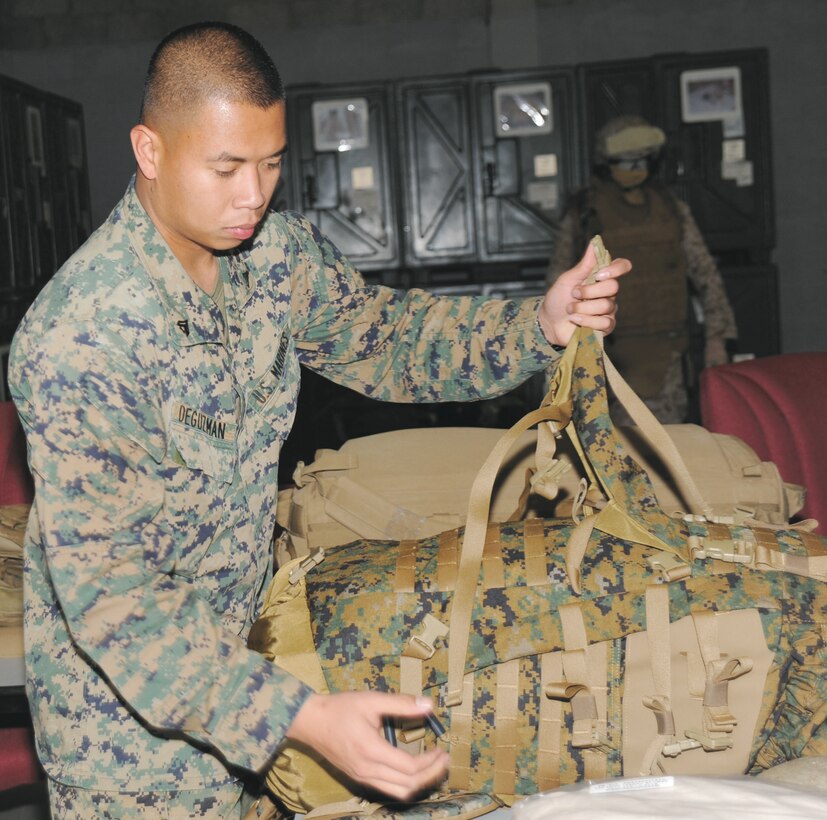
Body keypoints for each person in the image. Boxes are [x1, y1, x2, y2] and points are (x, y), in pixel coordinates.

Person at [8, 22, 629, 818]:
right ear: (150, 151)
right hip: (133, 746)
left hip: (256, 669)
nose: (253, 196)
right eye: (226, 167)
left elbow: (388, 340)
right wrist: (295, 717)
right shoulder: (82, 334)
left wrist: (536, 325)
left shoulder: (271, 256)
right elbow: (114, 599)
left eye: (270, 164)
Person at [547, 114, 737, 424]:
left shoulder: (672, 210)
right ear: (606, 162)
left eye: (642, 159)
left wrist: (717, 338)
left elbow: (706, 275)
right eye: (625, 160)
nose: (635, 167)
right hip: (606, 357)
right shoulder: (584, 213)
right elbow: (557, 284)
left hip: (666, 359)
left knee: (665, 452)